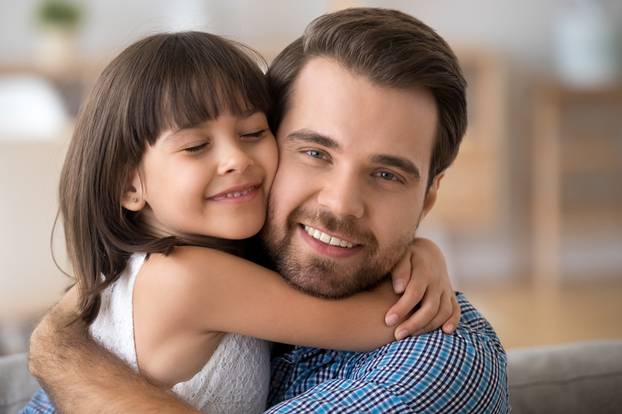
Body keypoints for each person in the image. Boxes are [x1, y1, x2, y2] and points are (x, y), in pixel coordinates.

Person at [25, 7, 509, 414]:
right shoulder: (208, 264)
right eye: (315, 153)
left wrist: (424, 254)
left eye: (387, 175)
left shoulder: (434, 368)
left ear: (428, 197)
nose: (339, 203)